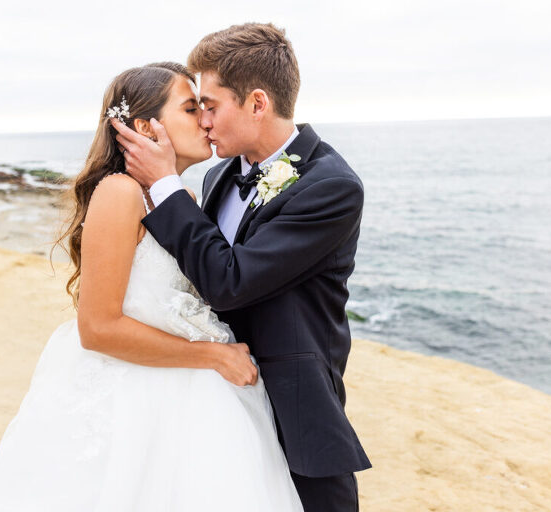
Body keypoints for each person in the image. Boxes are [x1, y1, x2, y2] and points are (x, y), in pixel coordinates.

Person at [0, 62, 304, 511]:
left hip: (191, 397)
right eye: (191, 109)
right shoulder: (120, 193)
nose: (206, 121)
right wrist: (211, 355)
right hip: (132, 397)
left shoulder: (185, 200)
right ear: (143, 127)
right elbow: (96, 328)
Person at [112, 23, 371, 512]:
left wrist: (165, 185)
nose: (203, 120)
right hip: (212, 402)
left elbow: (230, 283)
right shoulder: (218, 175)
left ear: (257, 103)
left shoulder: (330, 186)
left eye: (209, 104)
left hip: (293, 410)